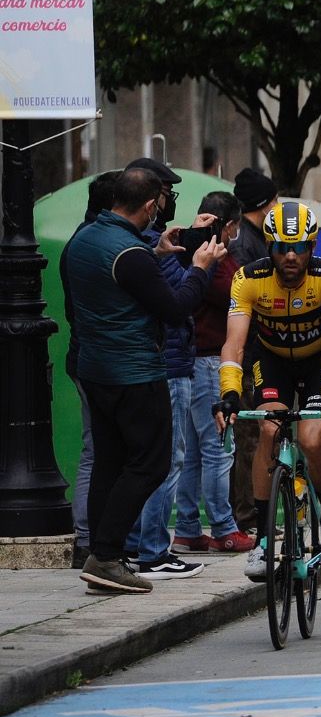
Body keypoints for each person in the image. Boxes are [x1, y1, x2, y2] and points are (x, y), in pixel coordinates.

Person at [63, 167, 227, 594]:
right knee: (151, 463)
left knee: (109, 462)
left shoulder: (86, 240)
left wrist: (157, 252)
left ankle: (101, 553)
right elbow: (177, 307)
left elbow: (118, 280)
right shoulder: (129, 254)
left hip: (95, 370)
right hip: (135, 372)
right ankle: (108, 555)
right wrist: (200, 266)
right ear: (152, 204)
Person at [215, 201, 321, 580]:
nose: (290, 256)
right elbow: (234, 344)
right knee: (269, 431)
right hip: (272, 358)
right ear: (269, 248)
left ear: (312, 246)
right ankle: (262, 540)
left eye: (299, 248)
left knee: (311, 439)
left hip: (316, 361)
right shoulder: (248, 277)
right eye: (280, 248)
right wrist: (229, 394)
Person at [172, 191, 255, 554]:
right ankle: (223, 526)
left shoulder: (190, 253)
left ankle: (189, 526)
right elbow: (235, 295)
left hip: (192, 359)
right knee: (219, 448)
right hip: (209, 362)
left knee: (192, 452)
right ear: (231, 225)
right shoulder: (216, 261)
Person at [60, 171, 121, 568]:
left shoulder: (80, 240)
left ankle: (90, 536)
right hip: (99, 360)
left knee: (95, 449)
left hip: (85, 357)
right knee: (100, 450)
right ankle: (91, 538)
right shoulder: (96, 243)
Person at [227, 166, 277, 531]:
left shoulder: (255, 237)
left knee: (259, 435)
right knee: (250, 438)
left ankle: (256, 514)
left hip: (258, 352)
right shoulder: (246, 245)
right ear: (264, 203)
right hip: (251, 355)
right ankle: (247, 517)